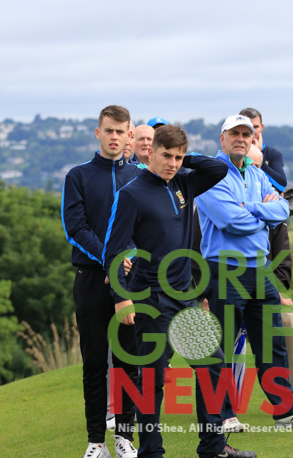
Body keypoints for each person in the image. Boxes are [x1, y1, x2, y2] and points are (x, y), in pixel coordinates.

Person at [103, 125, 257, 458]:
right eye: (167, 155)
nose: (172, 163)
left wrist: (188, 158)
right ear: (150, 152)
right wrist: (121, 298)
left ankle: (213, 447)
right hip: (151, 301)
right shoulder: (131, 194)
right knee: (152, 382)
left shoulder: (184, 182)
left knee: (213, 366)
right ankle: (151, 453)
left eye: (178, 157)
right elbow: (113, 251)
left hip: (186, 299)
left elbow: (217, 168)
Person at [195, 114, 293, 429]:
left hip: (259, 267)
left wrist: (250, 207)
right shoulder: (208, 174)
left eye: (247, 134)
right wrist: (261, 213)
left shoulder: (256, 174)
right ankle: (222, 415)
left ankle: (285, 410)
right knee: (223, 345)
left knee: (271, 342)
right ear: (222, 138)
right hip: (225, 267)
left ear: (253, 139)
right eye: (235, 133)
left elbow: (282, 210)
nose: (241, 139)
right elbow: (230, 221)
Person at [62, 105, 141, 458]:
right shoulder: (77, 176)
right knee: (94, 364)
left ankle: (125, 438)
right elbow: (75, 228)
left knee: (128, 363)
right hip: (92, 279)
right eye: (108, 130)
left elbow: (146, 229)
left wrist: (126, 260)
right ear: (98, 133)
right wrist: (111, 259)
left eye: (120, 131)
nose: (114, 136)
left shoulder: (139, 177)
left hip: (130, 279)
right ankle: (96, 441)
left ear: (128, 135)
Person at [239, 107, 293, 414]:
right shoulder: (223, 203)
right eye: (249, 171)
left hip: (262, 290)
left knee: (288, 319)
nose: (255, 178)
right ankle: (223, 407)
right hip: (225, 287)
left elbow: (282, 269)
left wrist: (272, 291)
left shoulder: (277, 218)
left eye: (259, 171)